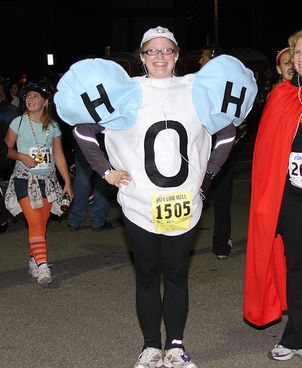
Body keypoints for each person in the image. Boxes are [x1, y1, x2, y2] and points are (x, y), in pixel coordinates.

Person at [54, 26, 257, 368]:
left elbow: (227, 131)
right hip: (138, 203)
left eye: (166, 50)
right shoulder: (124, 92)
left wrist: (207, 174)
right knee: (147, 276)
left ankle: (175, 346)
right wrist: (106, 171)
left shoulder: (197, 89)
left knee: (176, 275)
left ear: (177, 55)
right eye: (152, 51)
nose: (160, 57)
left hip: (183, 201)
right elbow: (83, 130)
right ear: (142, 56)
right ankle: (151, 347)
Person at [243, 29, 302, 361]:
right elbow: (268, 158)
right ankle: (295, 335)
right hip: (293, 199)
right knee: (296, 266)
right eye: (298, 52)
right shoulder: (281, 98)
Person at [4, 83, 73, 286]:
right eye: (28, 97)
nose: (30, 100)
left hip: (48, 181)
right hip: (25, 180)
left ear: (45, 101)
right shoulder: (18, 122)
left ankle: (34, 259)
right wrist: (21, 156)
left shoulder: (53, 126)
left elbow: (59, 156)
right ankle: (43, 266)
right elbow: (5, 149)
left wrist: (67, 182)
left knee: (40, 224)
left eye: (35, 96)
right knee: (34, 222)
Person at [198, 47, 236, 259]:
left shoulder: (228, 86)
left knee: (221, 200)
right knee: (192, 198)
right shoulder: (193, 83)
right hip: (197, 150)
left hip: (222, 151)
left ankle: (221, 243)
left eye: (203, 58)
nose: (199, 62)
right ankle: (179, 242)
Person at [67, 139, 114, 231]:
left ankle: (74, 221)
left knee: (82, 181)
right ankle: (98, 221)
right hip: (104, 143)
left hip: (84, 142)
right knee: (104, 181)